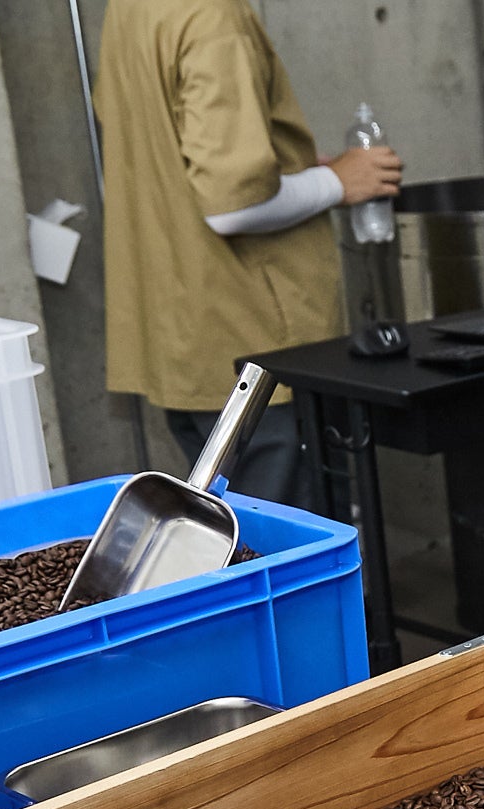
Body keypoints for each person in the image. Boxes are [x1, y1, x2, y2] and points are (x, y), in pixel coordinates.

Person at [95, 0, 402, 510]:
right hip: (256, 347)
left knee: (233, 534)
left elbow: (171, 149)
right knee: (291, 544)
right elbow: (232, 208)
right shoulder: (213, 16)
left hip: (186, 339)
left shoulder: (133, 9)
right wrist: (335, 182)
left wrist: (284, 165)